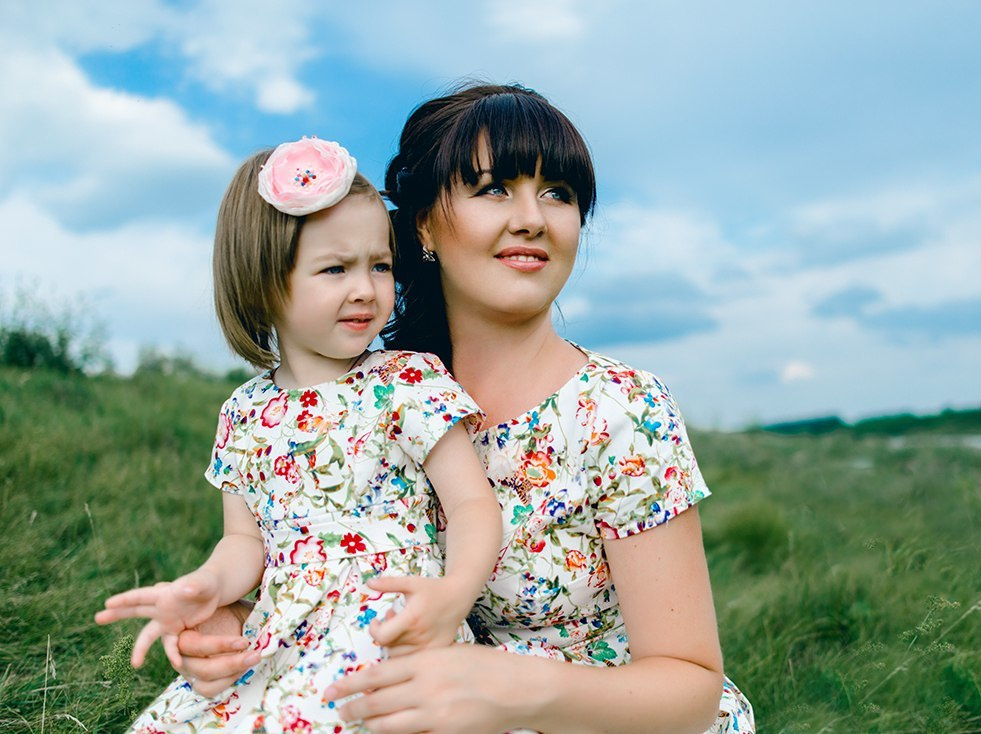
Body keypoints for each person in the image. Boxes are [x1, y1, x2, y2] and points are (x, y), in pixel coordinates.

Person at [174, 84, 756, 733]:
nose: (532, 218)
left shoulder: (620, 410)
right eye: (494, 188)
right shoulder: (376, 393)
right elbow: (316, 567)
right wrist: (232, 624)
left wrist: (515, 690)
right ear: (424, 224)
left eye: (558, 192)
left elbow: (691, 691)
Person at [95, 136, 503, 733]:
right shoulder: (244, 412)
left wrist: (456, 591)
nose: (365, 288)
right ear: (264, 282)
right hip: (282, 631)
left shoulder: (405, 380)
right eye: (335, 268)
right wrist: (206, 586)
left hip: (389, 623)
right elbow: (244, 543)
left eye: (379, 265)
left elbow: (471, 504)